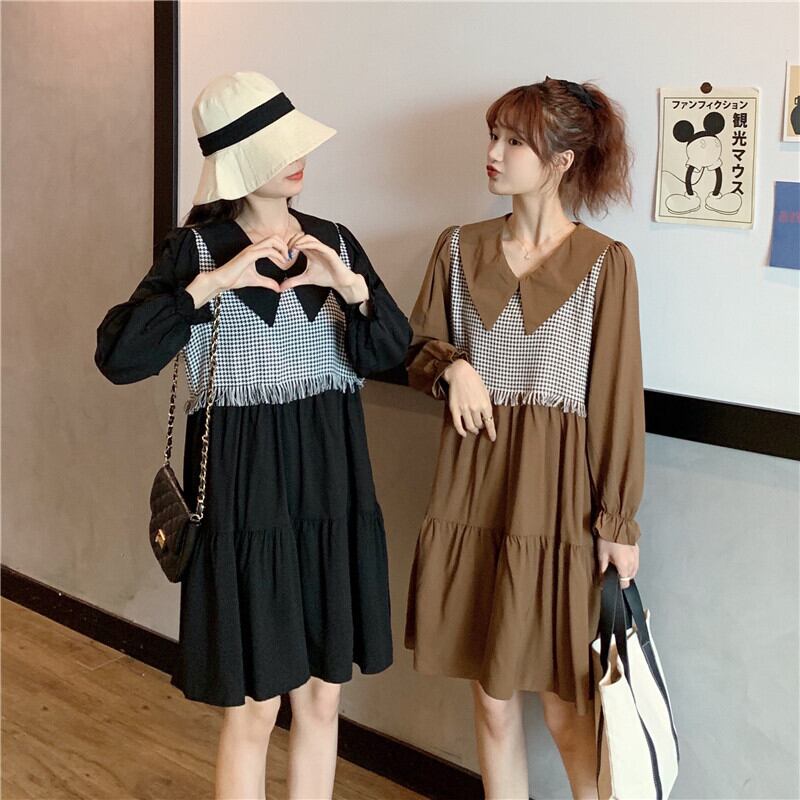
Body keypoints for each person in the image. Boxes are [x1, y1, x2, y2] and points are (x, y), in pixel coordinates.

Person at [94, 71, 412, 800]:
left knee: (323, 697)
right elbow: (119, 357)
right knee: (256, 706)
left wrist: (351, 286)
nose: (295, 159)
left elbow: (386, 350)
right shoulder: (195, 249)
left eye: (294, 141)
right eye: (274, 146)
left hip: (332, 478)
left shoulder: (335, 241)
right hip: (246, 489)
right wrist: (212, 283)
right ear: (237, 160)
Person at [403, 77, 645, 800]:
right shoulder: (458, 249)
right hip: (473, 489)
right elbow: (418, 347)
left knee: (569, 707)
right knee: (491, 699)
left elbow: (616, 399)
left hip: (561, 504)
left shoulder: (606, 263)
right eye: (494, 135)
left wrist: (617, 523)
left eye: (514, 141)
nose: (493, 152)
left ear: (561, 161)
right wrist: (453, 369)